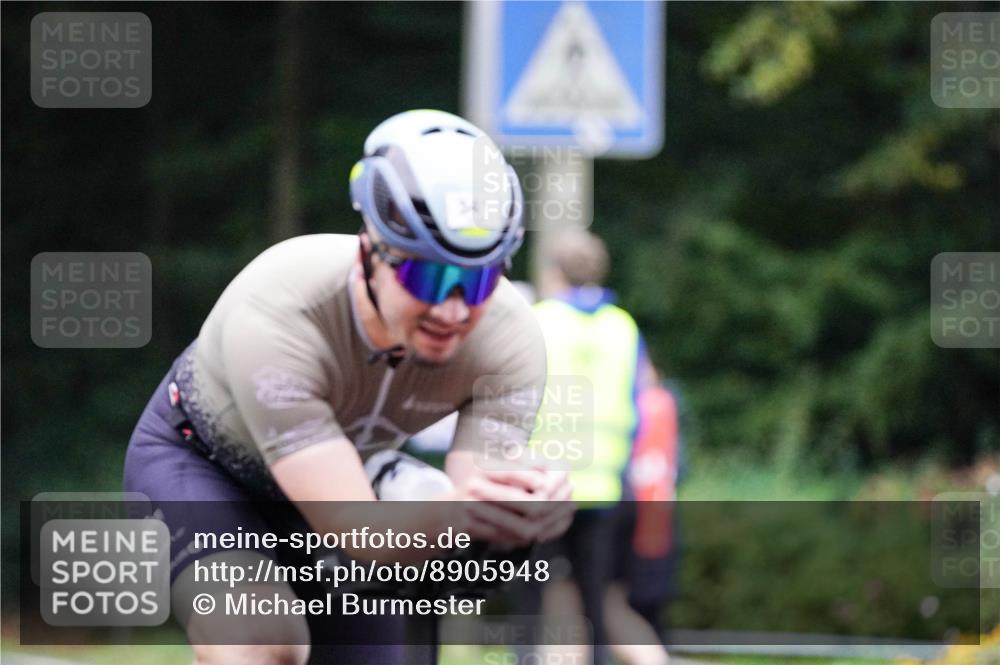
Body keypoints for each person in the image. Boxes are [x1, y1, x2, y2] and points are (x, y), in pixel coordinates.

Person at [123, 110, 573, 665]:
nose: (452, 309)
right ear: (371, 252)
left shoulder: (510, 340)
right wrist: (463, 516)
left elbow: (471, 510)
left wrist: (519, 511)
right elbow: (355, 529)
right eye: (428, 277)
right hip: (206, 469)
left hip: (351, 477)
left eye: (478, 280)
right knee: (262, 642)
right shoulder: (282, 309)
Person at [524, 229, 648, 665]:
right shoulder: (624, 326)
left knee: (529, 596)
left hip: (543, 481)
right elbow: (640, 399)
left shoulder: (538, 319)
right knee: (596, 598)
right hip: (604, 483)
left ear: (554, 271)